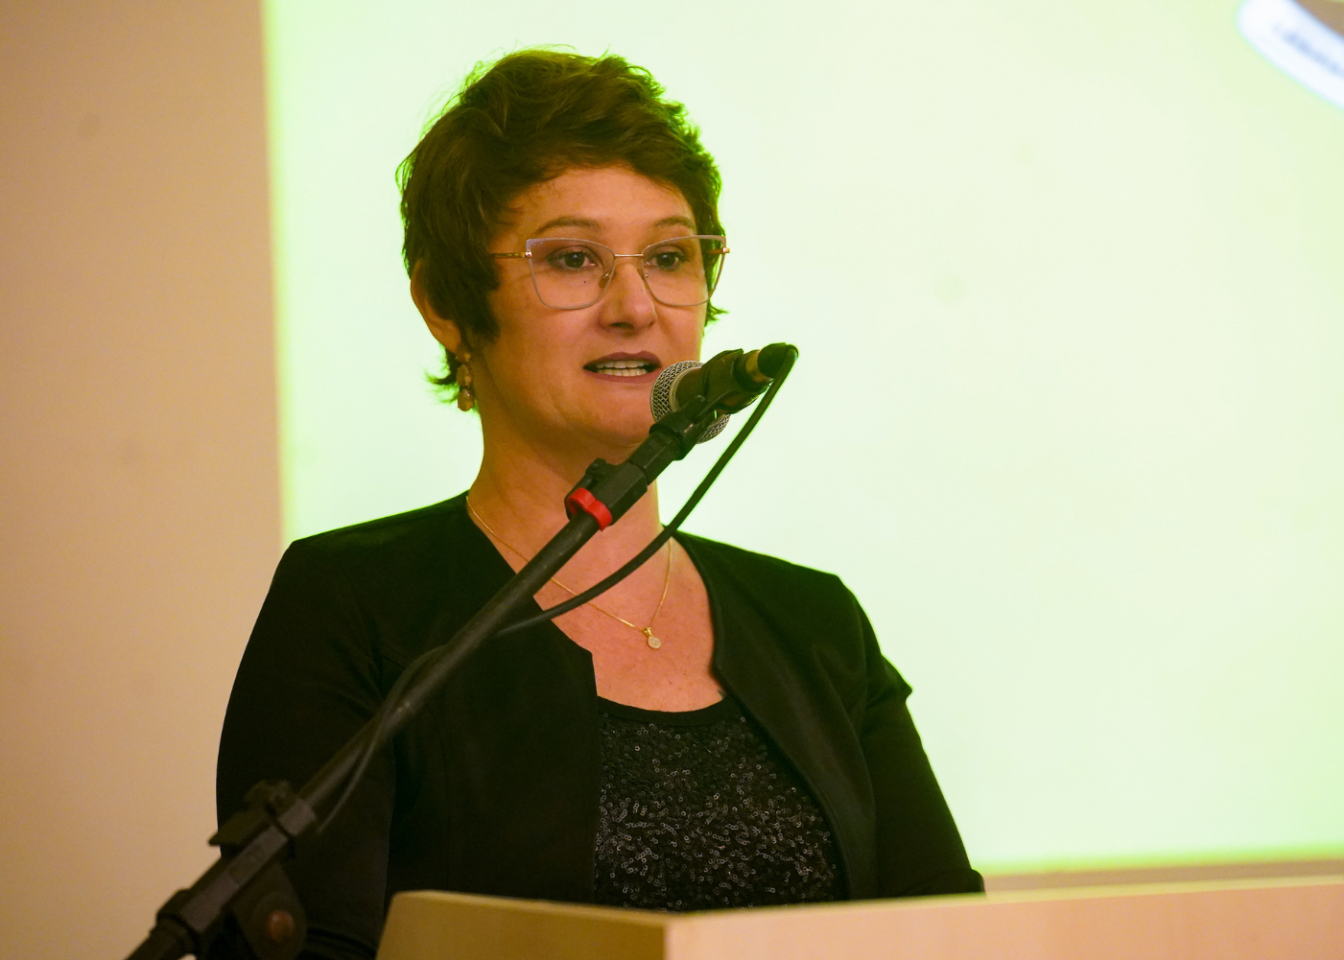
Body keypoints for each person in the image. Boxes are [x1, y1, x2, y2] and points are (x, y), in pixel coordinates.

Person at [217, 49, 983, 960]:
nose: (635, 306)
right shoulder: (354, 605)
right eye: (574, 259)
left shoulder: (817, 625)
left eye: (669, 257)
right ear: (446, 306)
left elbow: (953, 939)